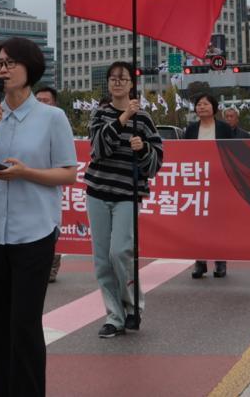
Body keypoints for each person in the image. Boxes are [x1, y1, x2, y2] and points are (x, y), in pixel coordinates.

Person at [0, 37, 78, 397]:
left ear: (30, 68)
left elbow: (68, 173)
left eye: (11, 63)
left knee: (24, 325)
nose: (3, 69)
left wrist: (26, 172)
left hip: (34, 234)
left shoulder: (52, 118)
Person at [85, 62, 164, 337]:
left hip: (128, 195)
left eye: (123, 78)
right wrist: (122, 119)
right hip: (97, 192)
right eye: (113, 78)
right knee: (102, 260)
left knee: (120, 252)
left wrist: (142, 150)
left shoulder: (144, 119)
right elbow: (98, 149)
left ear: (132, 84)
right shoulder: (100, 114)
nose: (117, 82)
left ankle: (132, 307)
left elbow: (155, 162)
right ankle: (114, 316)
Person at [186, 93, 235, 278]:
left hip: (219, 181)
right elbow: (184, 153)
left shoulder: (224, 128)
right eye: (199, 104)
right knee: (198, 223)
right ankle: (200, 262)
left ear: (214, 108)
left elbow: (232, 153)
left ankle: (220, 261)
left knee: (218, 222)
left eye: (205, 104)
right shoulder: (191, 129)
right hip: (197, 181)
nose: (202, 107)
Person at [33, 85, 65, 282]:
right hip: (27, 189)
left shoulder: (59, 125)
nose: (41, 105)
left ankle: (52, 264)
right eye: (38, 101)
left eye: (46, 101)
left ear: (55, 104)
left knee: (50, 227)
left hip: (50, 187)